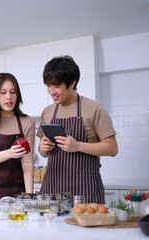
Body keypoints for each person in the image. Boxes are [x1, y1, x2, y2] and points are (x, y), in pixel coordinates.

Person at [37, 55, 118, 204]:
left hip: (85, 191)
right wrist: (43, 147)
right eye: (48, 85)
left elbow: (112, 148)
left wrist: (78, 146)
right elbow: (43, 153)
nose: (51, 91)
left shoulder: (95, 109)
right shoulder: (47, 112)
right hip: (52, 191)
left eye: (56, 86)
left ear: (72, 83)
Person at [0, 73, 35, 202]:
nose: (8, 97)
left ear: (17, 95)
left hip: (16, 189)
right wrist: (10, 153)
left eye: (13, 92)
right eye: (3, 92)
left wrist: (30, 197)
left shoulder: (27, 122)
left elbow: (27, 162)